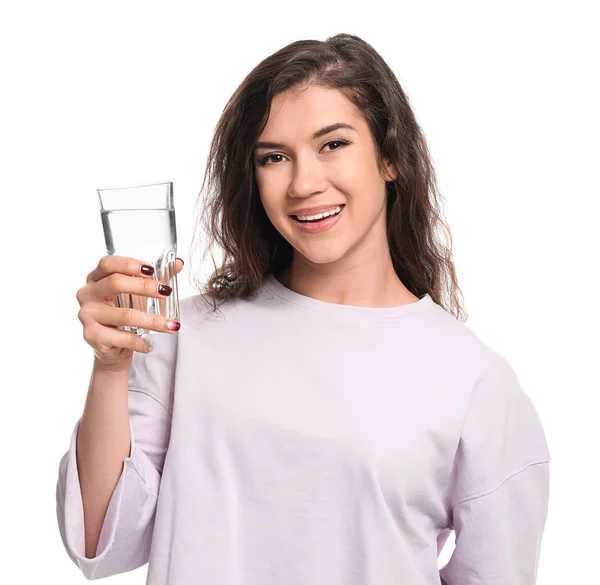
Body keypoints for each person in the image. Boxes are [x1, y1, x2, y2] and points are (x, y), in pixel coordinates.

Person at [56, 33, 551, 584]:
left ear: (390, 156)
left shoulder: (475, 381)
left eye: (333, 144)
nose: (304, 183)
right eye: (274, 157)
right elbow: (99, 542)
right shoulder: (185, 335)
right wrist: (109, 365)